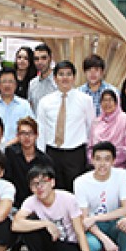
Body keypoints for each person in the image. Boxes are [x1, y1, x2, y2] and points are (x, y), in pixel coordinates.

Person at [12, 164, 97, 251]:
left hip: (68, 243)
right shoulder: (31, 201)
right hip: (49, 240)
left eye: (43, 182)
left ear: (52, 182)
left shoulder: (68, 199)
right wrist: (46, 223)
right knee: (28, 222)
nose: (39, 187)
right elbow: (15, 225)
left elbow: (80, 232)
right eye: (34, 184)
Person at [74, 141, 126, 251]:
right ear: (92, 160)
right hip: (92, 227)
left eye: (107, 159)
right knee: (93, 246)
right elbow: (85, 219)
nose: (102, 164)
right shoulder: (81, 182)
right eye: (98, 159)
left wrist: (96, 217)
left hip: (112, 222)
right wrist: (105, 239)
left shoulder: (121, 175)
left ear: (114, 160)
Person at [36, 60, 95, 191]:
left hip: (76, 153)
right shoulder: (45, 101)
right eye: (61, 74)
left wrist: (89, 153)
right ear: (55, 78)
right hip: (52, 152)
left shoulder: (85, 100)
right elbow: (41, 130)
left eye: (68, 74)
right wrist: (40, 155)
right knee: (53, 190)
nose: (65, 78)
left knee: (76, 190)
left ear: (74, 77)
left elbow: (91, 127)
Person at [3, 116, 53, 210]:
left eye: (30, 133)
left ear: (36, 135)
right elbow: (6, 180)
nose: (27, 137)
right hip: (13, 204)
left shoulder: (45, 160)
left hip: (37, 205)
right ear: (17, 135)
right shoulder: (10, 153)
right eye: (23, 133)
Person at [0, 67, 34, 144]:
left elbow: (31, 129)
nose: (7, 85)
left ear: (15, 84)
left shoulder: (24, 105)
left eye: (10, 81)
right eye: (4, 81)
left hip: (18, 149)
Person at [88, 89, 126, 168]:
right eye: (104, 100)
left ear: (116, 102)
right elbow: (90, 148)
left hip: (118, 167)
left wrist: (108, 162)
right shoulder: (96, 122)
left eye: (110, 100)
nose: (107, 103)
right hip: (97, 167)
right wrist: (95, 161)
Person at [27, 43, 58, 112]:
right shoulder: (32, 83)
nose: (40, 62)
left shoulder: (59, 82)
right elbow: (31, 107)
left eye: (44, 58)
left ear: (50, 59)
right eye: (36, 59)